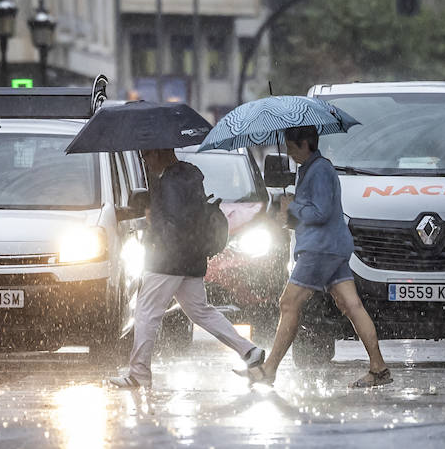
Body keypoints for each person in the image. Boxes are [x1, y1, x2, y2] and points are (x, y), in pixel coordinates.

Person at [107, 147, 266, 389]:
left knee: (146, 312)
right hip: (192, 257)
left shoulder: (169, 183)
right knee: (200, 311)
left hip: (168, 260)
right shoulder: (190, 176)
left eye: (147, 155)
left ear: (160, 153)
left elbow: (173, 225)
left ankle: (138, 374)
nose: (146, 161)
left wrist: (155, 230)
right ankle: (249, 350)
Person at [258, 125, 391, 388]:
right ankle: (379, 368)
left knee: (288, 303)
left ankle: (268, 369)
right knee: (352, 306)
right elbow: (314, 212)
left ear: (305, 144)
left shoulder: (319, 170)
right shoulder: (309, 169)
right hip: (331, 246)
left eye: (292, 146)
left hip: (320, 249)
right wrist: (291, 213)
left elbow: (320, 213)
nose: (288, 151)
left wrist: (293, 206)